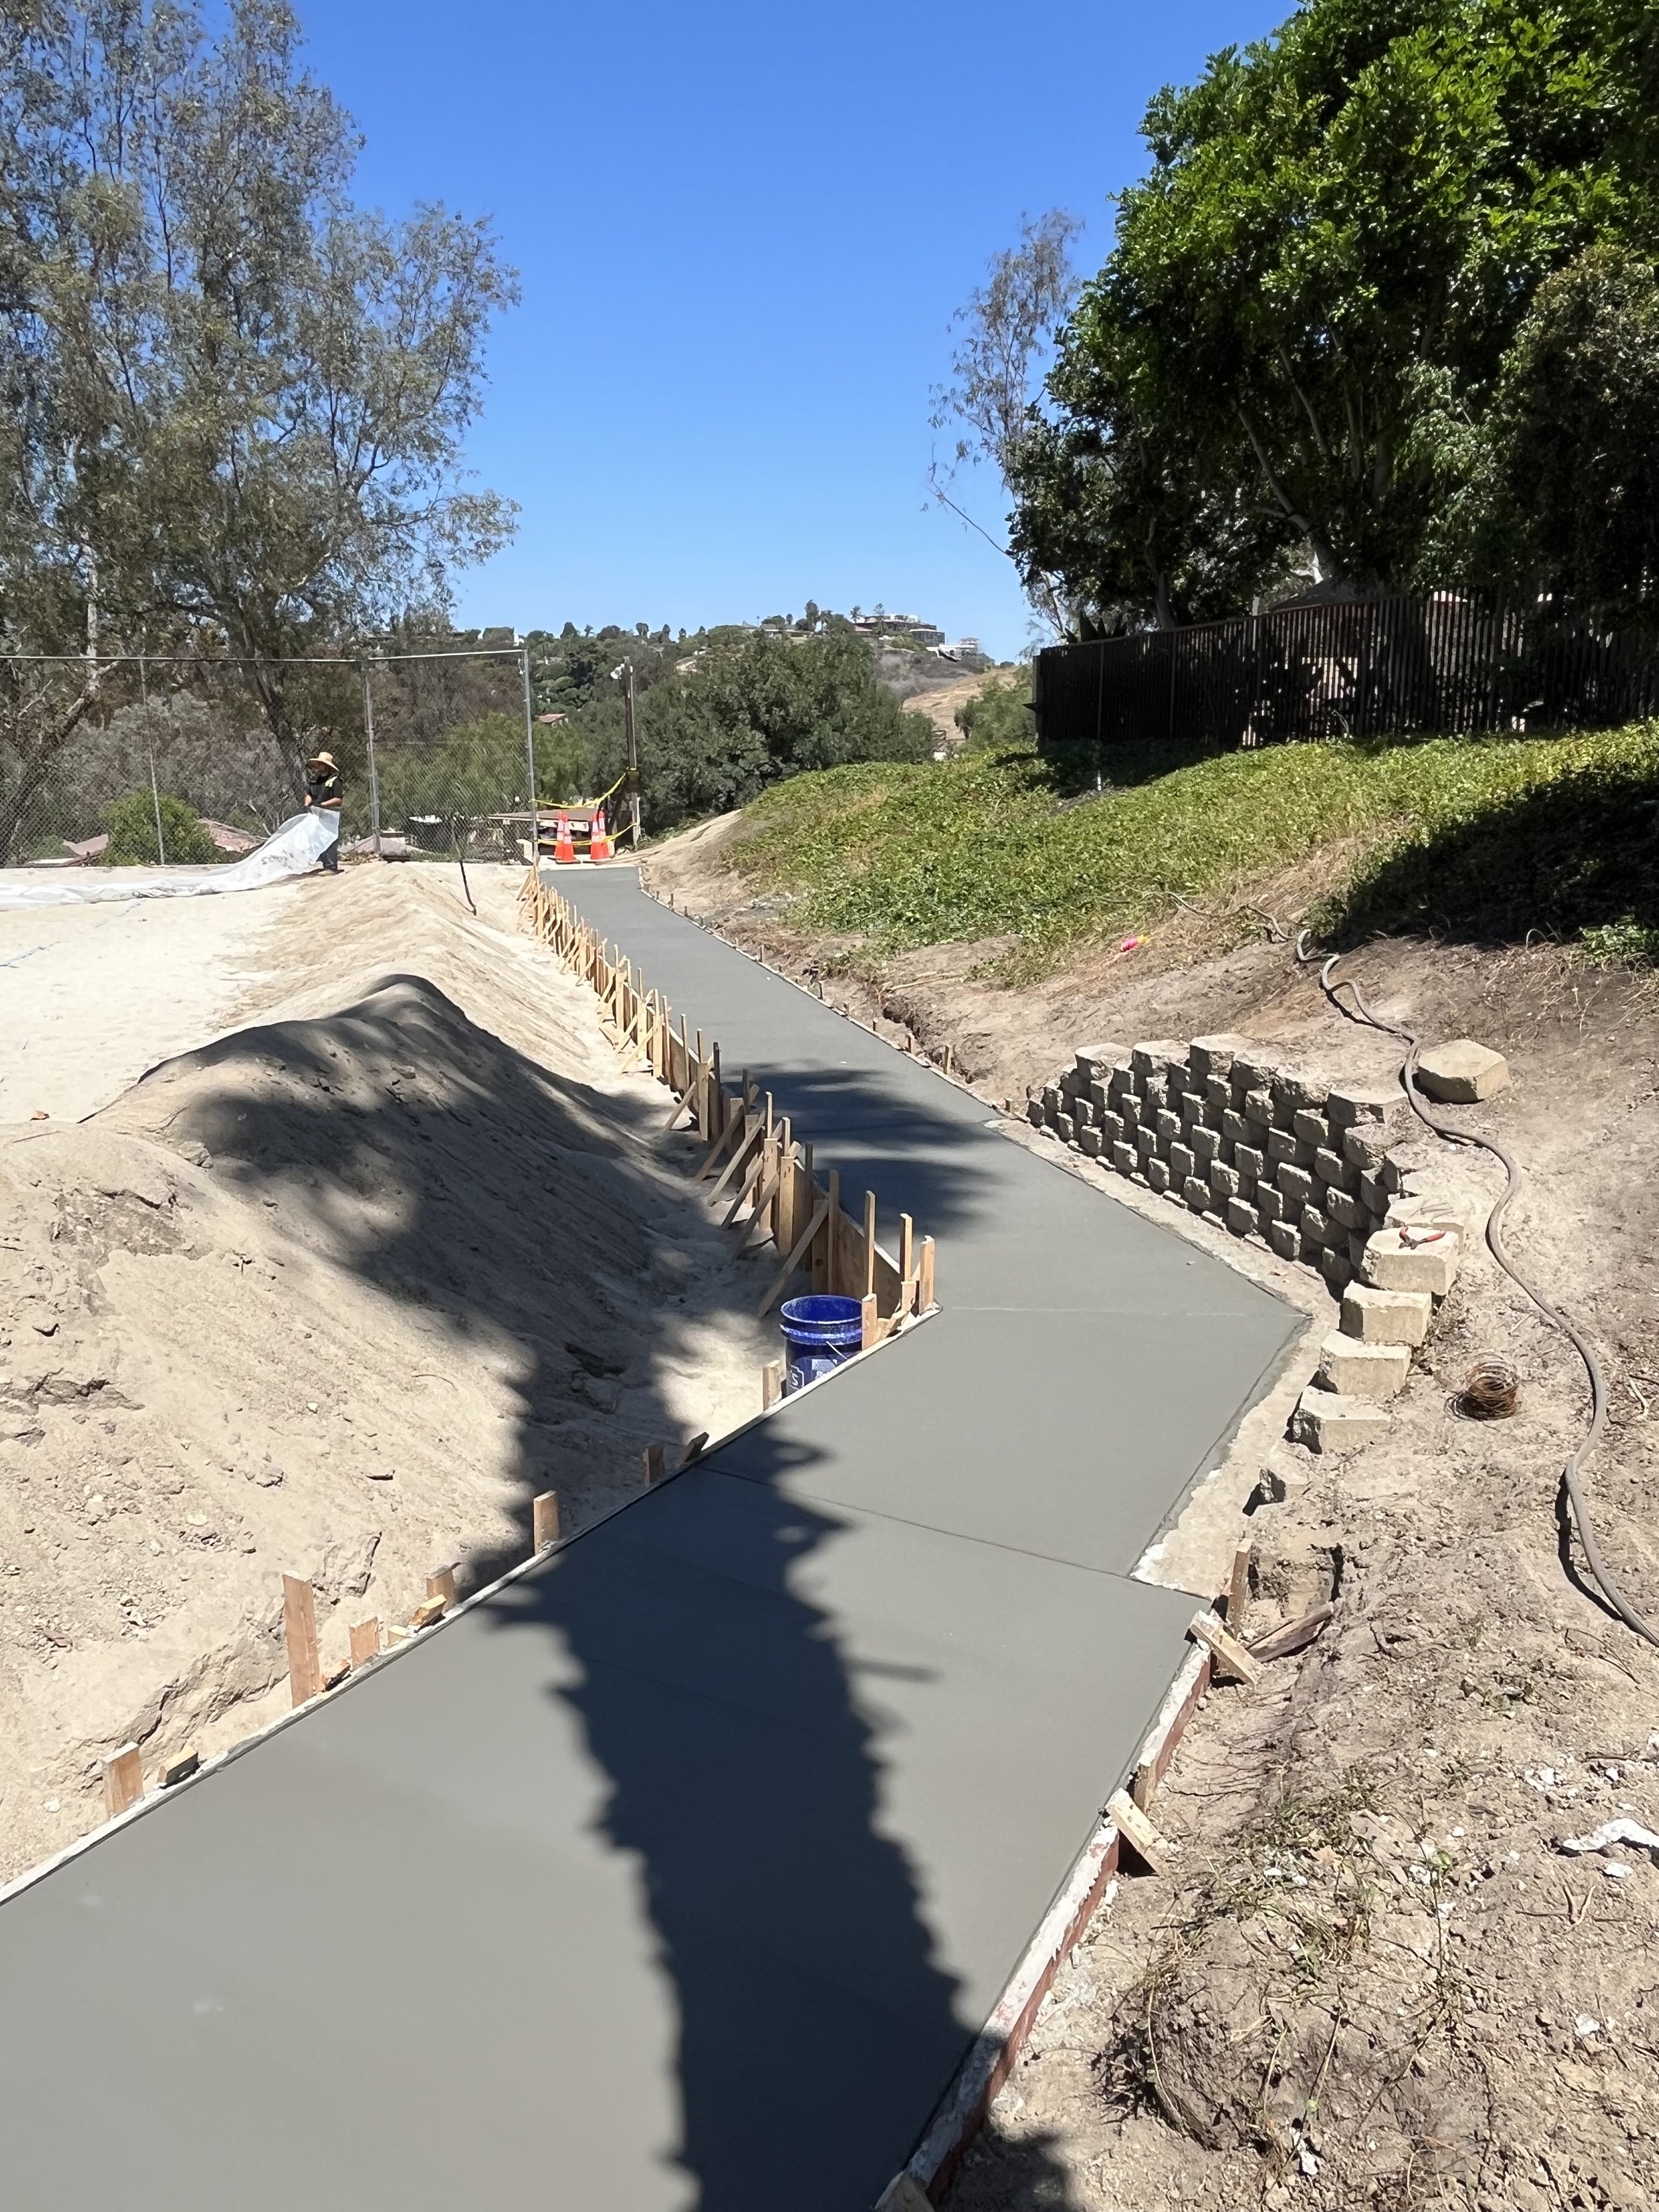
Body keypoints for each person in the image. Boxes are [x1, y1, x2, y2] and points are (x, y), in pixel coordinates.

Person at [303, 749, 343, 873]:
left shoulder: (334, 781)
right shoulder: (316, 780)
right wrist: (307, 805)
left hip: (329, 814)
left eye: (321, 764)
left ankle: (331, 867)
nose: (319, 766)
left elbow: (338, 799)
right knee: (317, 838)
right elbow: (309, 793)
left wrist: (323, 805)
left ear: (326, 766)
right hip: (316, 813)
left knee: (329, 839)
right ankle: (323, 863)